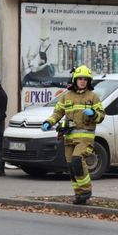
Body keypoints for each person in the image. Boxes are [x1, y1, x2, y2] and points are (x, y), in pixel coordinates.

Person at [41, 65, 105, 205]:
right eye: (80, 79)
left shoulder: (93, 97)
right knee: (71, 166)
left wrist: (94, 114)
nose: (82, 81)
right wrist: (49, 122)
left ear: (89, 81)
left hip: (85, 138)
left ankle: (86, 190)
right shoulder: (66, 96)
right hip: (69, 138)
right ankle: (79, 195)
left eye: (85, 79)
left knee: (77, 160)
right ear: (75, 80)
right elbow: (58, 113)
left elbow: (101, 116)